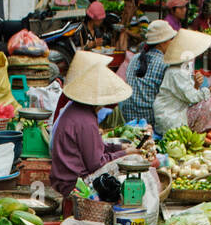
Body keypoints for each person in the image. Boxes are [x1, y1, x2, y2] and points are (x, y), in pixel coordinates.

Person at [49, 57, 131, 196]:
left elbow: (92, 148)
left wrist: (119, 147)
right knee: (131, 163)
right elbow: (96, 163)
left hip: (65, 178)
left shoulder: (77, 110)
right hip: (74, 183)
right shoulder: (86, 120)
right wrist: (125, 154)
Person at [153, 28, 211, 134]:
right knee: (209, 103)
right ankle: (193, 136)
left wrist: (196, 84)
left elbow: (188, 96)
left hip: (179, 111)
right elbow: (194, 99)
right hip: (171, 119)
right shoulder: (177, 72)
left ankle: (196, 131)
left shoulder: (183, 68)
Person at [119, 19, 176, 125]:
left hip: (127, 117)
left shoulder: (135, 58)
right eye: (171, 39)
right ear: (162, 43)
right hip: (149, 120)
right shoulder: (164, 63)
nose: (172, 42)